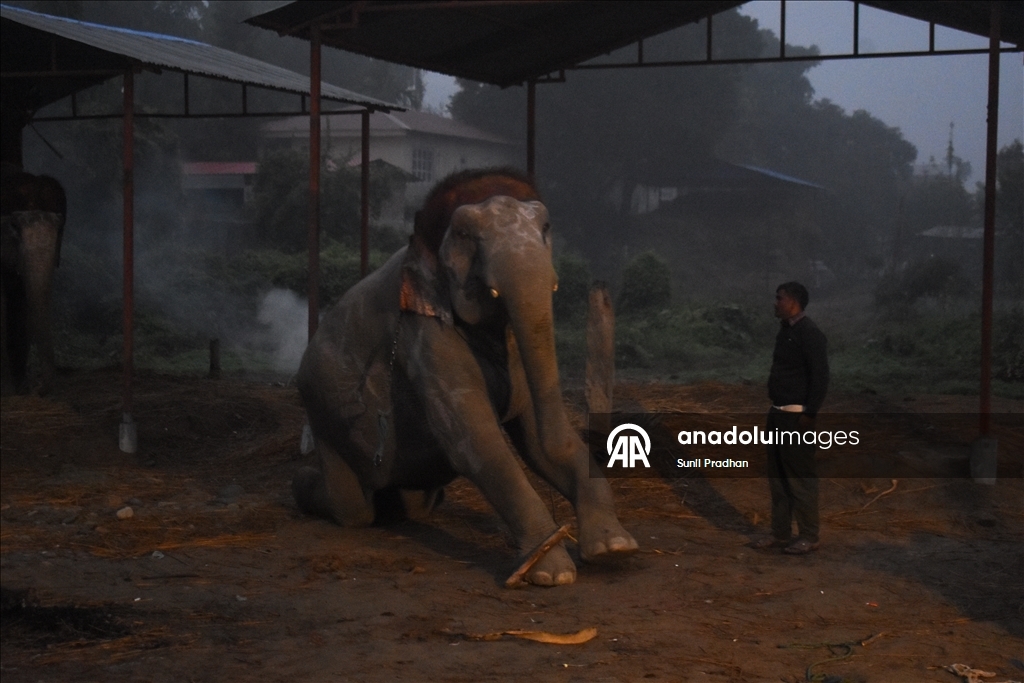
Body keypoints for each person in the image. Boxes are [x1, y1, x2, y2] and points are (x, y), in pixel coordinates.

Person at [753, 281, 829, 555]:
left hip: (796, 418)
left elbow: (820, 377)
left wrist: (810, 413)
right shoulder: (786, 331)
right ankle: (780, 533)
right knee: (778, 478)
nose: (775, 303)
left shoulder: (810, 333)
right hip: (778, 413)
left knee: (800, 478)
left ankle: (809, 535)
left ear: (793, 301)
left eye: (779, 298)